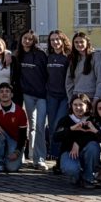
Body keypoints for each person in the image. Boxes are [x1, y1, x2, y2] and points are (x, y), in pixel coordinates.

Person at [15, 30, 49, 170]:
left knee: (40, 126)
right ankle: (29, 154)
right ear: (21, 39)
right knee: (31, 126)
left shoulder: (40, 55)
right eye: (25, 38)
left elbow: (48, 73)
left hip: (42, 95)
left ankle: (39, 158)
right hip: (27, 94)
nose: (27, 41)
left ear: (34, 41)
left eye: (30, 39)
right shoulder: (18, 55)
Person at [53, 94, 101, 188]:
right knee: (71, 169)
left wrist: (78, 143)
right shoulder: (65, 120)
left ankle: (88, 178)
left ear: (87, 106)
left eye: (81, 104)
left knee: (94, 146)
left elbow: (97, 137)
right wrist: (71, 129)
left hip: (86, 152)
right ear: (71, 106)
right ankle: (78, 175)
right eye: (75, 105)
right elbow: (56, 137)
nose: (78, 107)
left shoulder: (92, 120)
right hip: (68, 152)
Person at [0, 83, 29, 174]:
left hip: (15, 141)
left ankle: (14, 155)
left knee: (11, 168)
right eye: (1, 91)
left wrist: (17, 152)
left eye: (7, 91)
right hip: (1, 137)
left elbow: (23, 136)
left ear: (12, 95)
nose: (4, 94)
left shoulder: (20, 111)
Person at [45, 30, 71, 170]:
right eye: (52, 40)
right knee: (51, 126)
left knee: (58, 125)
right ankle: (57, 158)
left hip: (64, 97)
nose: (55, 42)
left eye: (57, 39)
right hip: (51, 96)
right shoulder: (48, 57)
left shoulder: (68, 57)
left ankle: (57, 155)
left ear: (62, 40)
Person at [65, 32, 101, 101]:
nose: (79, 44)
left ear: (87, 43)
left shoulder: (96, 56)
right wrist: (70, 98)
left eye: (82, 42)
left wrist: (97, 97)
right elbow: (69, 81)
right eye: (76, 42)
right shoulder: (73, 59)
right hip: (76, 97)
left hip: (92, 97)